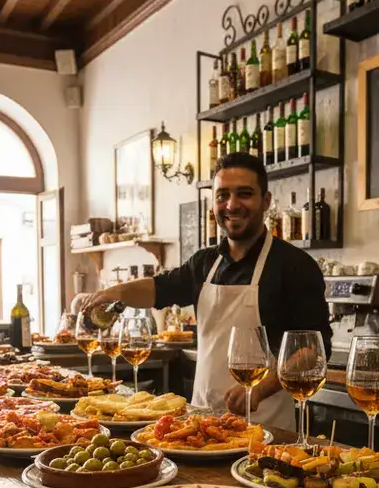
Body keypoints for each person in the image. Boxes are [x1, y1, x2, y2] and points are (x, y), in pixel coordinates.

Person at [77, 152, 331, 429]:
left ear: (266, 201)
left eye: (244, 194)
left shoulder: (294, 266)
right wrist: (113, 293)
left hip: (266, 428)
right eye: (222, 195)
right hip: (200, 423)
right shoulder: (205, 263)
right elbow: (159, 288)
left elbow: (314, 351)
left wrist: (260, 389)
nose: (232, 205)